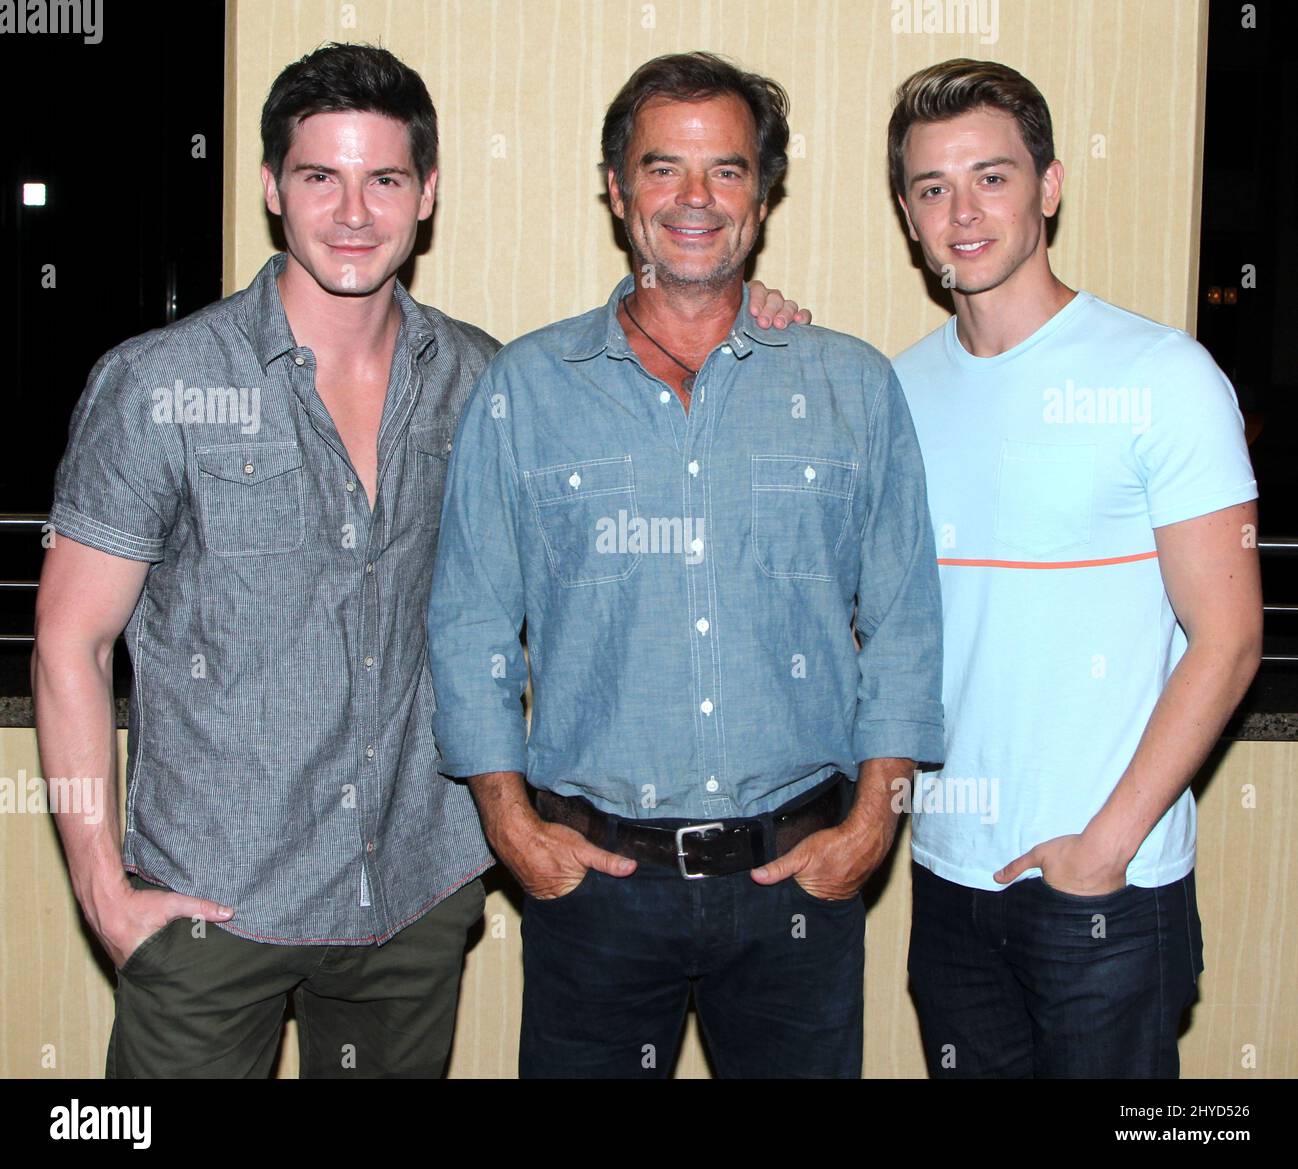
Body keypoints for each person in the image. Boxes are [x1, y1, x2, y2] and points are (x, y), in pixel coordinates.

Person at [30, 39, 814, 1079]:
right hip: (214, 904)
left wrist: (742, 317)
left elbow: (601, 527)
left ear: (426, 192)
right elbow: (69, 641)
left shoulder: (485, 380)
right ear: (272, 187)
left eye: (384, 178)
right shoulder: (158, 384)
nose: (353, 212)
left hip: (414, 896)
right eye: (321, 176)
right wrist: (100, 885)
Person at [426, 50, 944, 1079]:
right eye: (663, 168)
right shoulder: (527, 386)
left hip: (802, 875)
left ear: (765, 191)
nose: (694, 199)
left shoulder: (851, 385)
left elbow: (905, 621)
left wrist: (870, 826)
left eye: (728, 169)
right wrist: (511, 829)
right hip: (594, 886)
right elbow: (470, 620)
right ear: (617, 191)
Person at [888, 58, 1262, 1078]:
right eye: (932, 186)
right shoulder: (894, 390)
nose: (962, 211)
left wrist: (1104, 847)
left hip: (1107, 886)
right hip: (947, 872)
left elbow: (1227, 641)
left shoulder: (1161, 376)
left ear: (1048, 187)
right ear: (909, 215)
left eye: (991, 176)